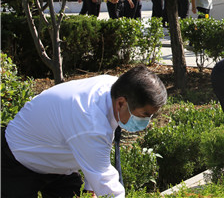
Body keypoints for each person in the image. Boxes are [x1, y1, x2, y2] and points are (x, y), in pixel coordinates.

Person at [2, 66, 167, 198]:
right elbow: (106, 181)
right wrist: (97, 185)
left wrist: (90, 188)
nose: (147, 121)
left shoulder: (117, 88)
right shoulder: (91, 121)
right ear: (121, 103)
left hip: (58, 161)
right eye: (145, 114)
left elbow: (97, 152)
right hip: (18, 160)